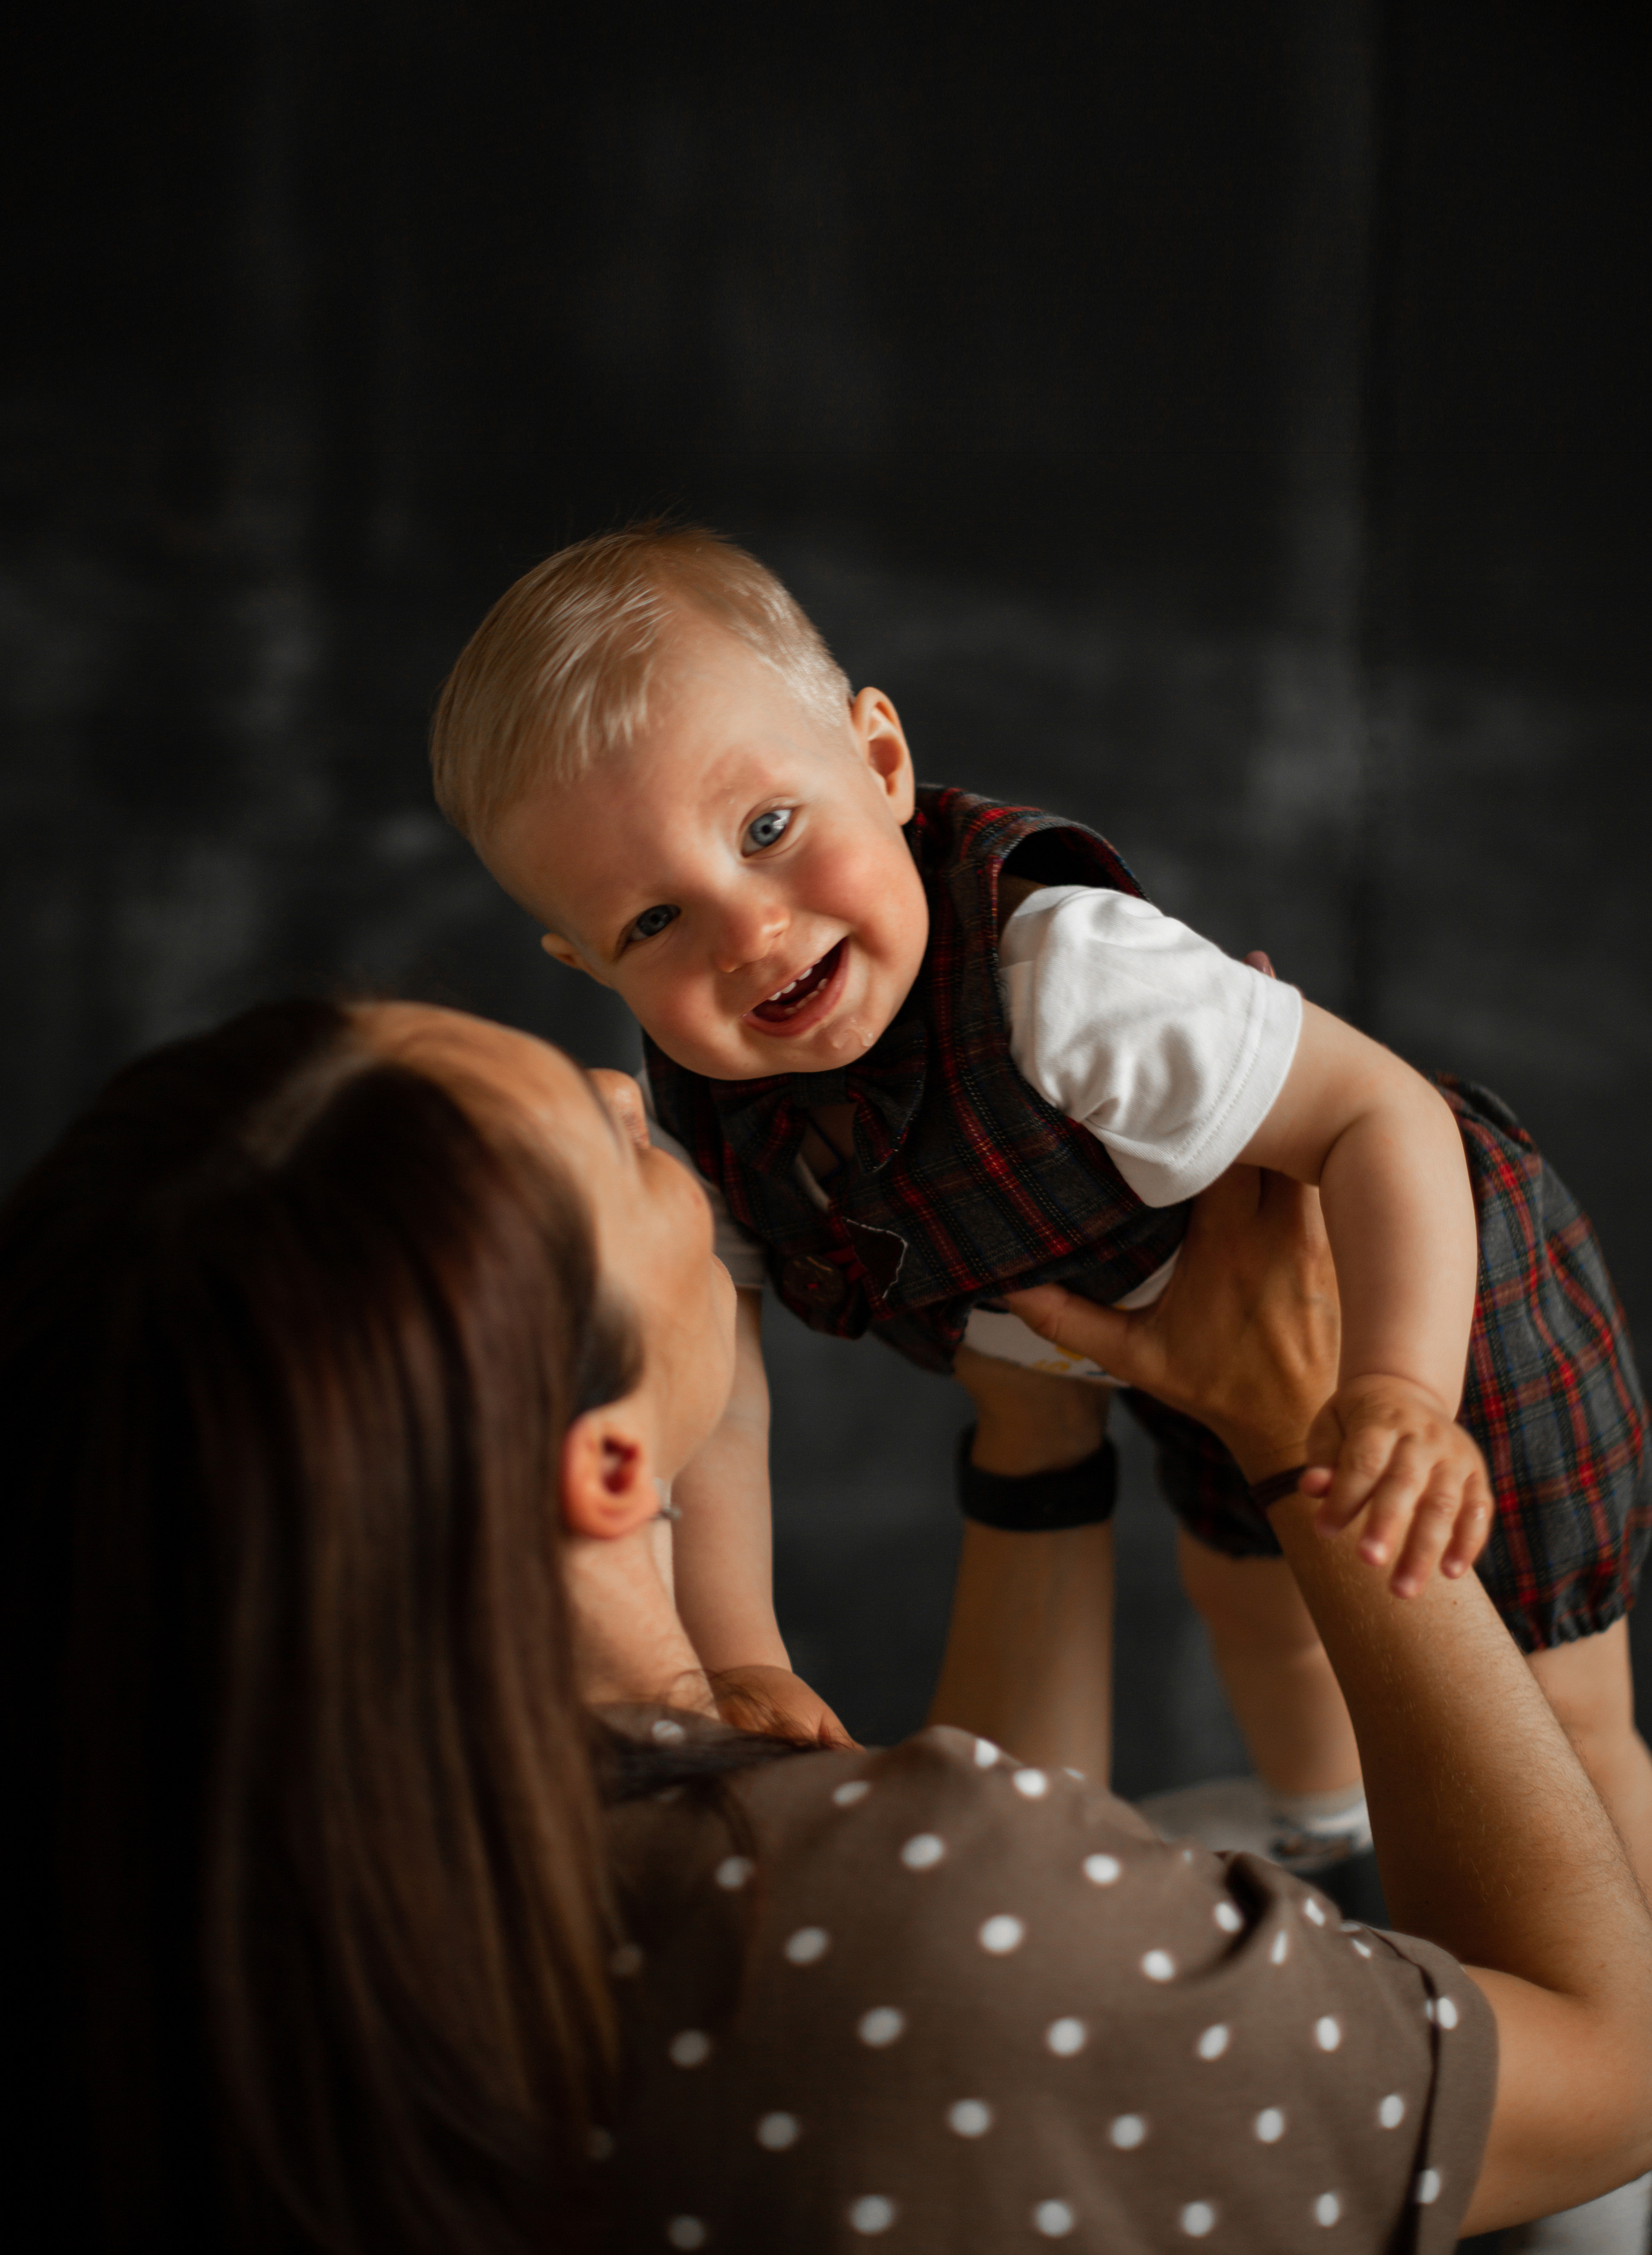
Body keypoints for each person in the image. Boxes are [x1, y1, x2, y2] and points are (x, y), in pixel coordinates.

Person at [5, 995, 1649, 2253]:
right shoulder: (875, 1937)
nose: (634, 1087)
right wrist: (1306, 1444)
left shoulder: (210, 1926)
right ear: (606, 1465)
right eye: (613, 1149)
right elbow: (1599, 2068)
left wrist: (1032, 1436)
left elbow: (1023, 1891)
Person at [427, 523, 1652, 1886]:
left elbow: (1384, 1119)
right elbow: (718, 1384)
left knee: (1553, 1707)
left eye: (768, 830)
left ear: (881, 763)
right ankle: (1337, 1851)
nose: (748, 931)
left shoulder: (1061, 980)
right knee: (1261, 1607)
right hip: (1187, 1347)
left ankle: (1626, 2017)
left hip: (1434, 1283)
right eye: (653, 923)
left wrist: (1399, 1390)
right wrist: (739, 1657)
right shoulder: (707, 1121)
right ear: (584, 957)